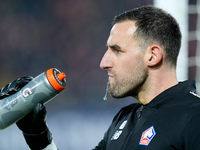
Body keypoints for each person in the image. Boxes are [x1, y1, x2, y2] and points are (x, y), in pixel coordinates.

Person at [1, 5, 200, 150]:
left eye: (117, 50)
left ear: (152, 56)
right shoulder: (125, 118)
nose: (103, 62)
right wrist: (38, 135)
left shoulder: (193, 117)